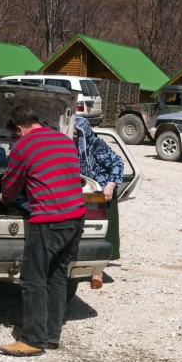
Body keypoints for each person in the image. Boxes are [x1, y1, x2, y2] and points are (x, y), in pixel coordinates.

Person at [0, 105, 85, 357]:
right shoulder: (64, 140)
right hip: (76, 216)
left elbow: (12, 183)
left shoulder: (23, 146)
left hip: (49, 219)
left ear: (19, 129)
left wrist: (5, 197)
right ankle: (50, 334)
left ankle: (33, 340)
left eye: (14, 136)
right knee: (57, 276)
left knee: (32, 278)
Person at [74, 116, 124, 289]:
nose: (74, 137)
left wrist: (110, 185)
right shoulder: (69, 146)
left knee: (102, 232)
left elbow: (117, 163)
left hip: (102, 194)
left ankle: (98, 271)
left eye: (77, 133)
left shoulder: (96, 145)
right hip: (81, 191)